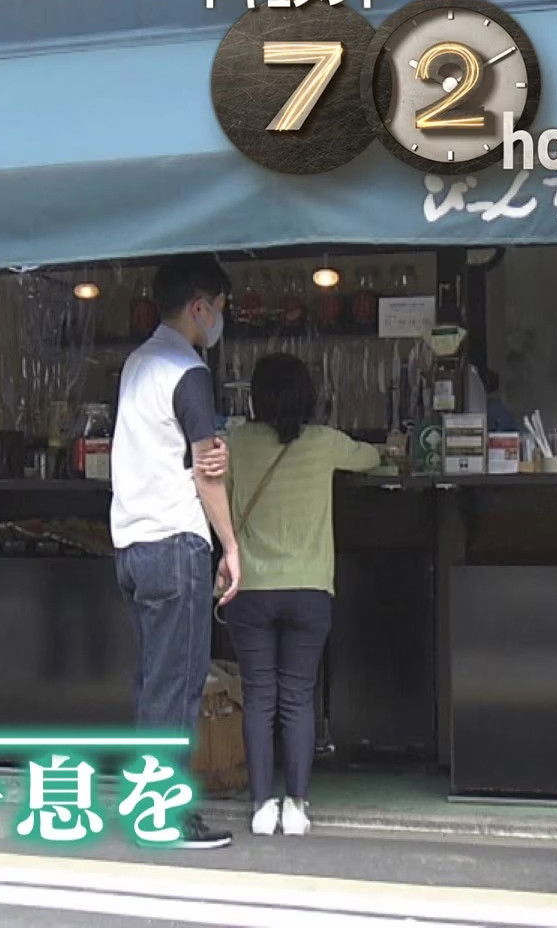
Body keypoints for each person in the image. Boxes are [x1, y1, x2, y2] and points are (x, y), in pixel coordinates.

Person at [222, 353, 381, 838]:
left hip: (250, 589)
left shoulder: (236, 443)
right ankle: (297, 805)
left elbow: (216, 494)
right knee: (297, 698)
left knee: (259, 697)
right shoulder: (326, 444)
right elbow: (373, 458)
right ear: (310, 398)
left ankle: (261, 805)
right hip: (311, 589)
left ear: (255, 398)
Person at [111, 254, 238, 851]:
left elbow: (192, 457)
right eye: (220, 308)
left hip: (133, 547)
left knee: (154, 685)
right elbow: (206, 471)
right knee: (179, 686)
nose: (221, 319)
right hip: (175, 543)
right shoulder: (188, 370)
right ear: (199, 307)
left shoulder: (137, 365)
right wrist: (231, 547)